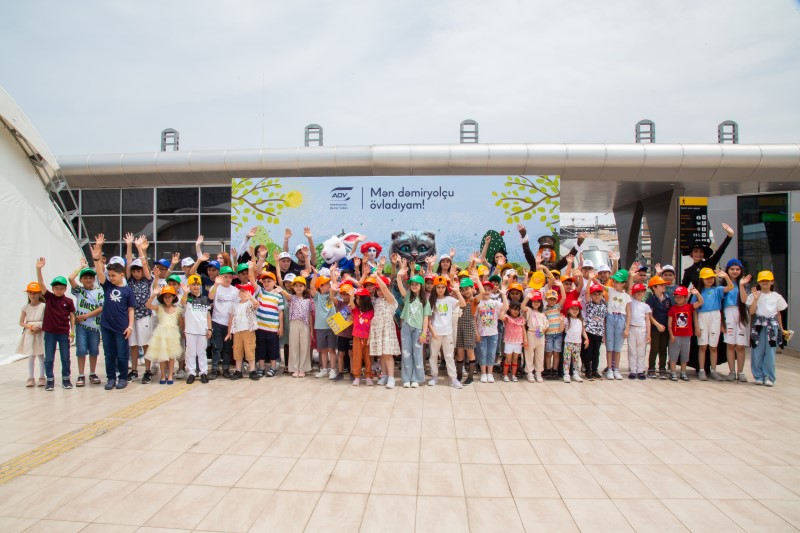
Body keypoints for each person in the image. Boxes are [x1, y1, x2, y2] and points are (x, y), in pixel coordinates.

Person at [91, 233, 136, 390]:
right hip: (106, 326)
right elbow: (99, 273)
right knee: (109, 354)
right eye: (109, 275)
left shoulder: (127, 291)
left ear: (122, 275)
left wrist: (130, 326)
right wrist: (97, 257)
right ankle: (111, 378)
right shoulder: (108, 286)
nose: (111, 278)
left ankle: (122, 377)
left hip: (121, 327)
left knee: (122, 354)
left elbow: (131, 309)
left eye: (113, 275)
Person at [35, 258, 76, 391]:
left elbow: (72, 316)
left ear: (65, 289)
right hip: (50, 333)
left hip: (63, 332)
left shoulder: (68, 301)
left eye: (61, 288)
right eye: (56, 288)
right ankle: (50, 380)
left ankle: (66, 379)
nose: (58, 290)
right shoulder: (49, 297)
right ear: (52, 289)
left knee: (65, 357)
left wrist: (72, 331)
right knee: (49, 358)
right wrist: (38, 269)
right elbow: (41, 283)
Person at [746, 271, 788, 387]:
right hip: (758, 325)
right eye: (762, 280)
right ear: (759, 282)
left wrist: (782, 329)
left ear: (772, 282)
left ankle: (769, 377)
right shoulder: (754, 294)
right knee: (757, 351)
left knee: (770, 352)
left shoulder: (777, 296)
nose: (764, 282)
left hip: (772, 326)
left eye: (767, 280)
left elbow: (778, 313)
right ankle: (758, 376)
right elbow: (752, 312)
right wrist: (755, 299)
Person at [692, 267, 735, 380]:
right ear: (702, 279)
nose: (709, 280)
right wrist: (696, 326)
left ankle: (714, 370)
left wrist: (726, 277)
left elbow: (730, 287)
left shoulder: (717, 290)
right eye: (706, 278)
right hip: (702, 317)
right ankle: (702, 370)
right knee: (702, 346)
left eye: (711, 277)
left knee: (713, 346)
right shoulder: (697, 292)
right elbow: (694, 310)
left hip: (715, 316)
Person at [68, 261, 104, 387]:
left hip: (94, 326)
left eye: (90, 277)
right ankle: (81, 374)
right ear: (81, 280)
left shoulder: (99, 291)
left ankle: (92, 373)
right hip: (81, 327)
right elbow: (70, 278)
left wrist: (85, 316)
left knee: (94, 350)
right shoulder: (79, 291)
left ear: (94, 279)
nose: (88, 280)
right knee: (81, 350)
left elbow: (101, 308)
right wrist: (81, 267)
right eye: (85, 277)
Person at [124, 235, 153, 383]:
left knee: (146, 343)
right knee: (133, 345)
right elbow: (129, 262)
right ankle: (134, 370)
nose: (136, 273)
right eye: (134, 271)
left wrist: (139, 249)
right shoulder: (129, 280)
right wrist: (129, 245)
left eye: (138, 270)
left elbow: (144, 264)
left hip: (144, 315)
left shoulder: (148, 280)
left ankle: (148, 370)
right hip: (132, 315)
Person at [429, 276, 467, 388]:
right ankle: (434, 376)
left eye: (443, 287)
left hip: (448, 332)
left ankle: (453, 379)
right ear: (435, 288)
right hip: (436, 333)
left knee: (449, 356)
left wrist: (457, 291)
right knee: (433, 355)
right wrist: (432, 331)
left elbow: (463, 304)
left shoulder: (450, 299)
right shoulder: (431, 301)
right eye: (438, 287)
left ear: (446, 288)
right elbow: (428, 318)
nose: (440, 289)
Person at [396, 266, 431, 388]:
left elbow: (426, 318)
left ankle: (416, 378)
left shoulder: (425, 301)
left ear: (421, 285)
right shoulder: (407, 296)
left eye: (416, 284)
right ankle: (406, 378)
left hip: (418, 330)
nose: (414, 286)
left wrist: (424, 333)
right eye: (412, 284)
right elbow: (401, 287)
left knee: (417, 354)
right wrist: (398, 276)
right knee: (406, 353)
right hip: (406, 327)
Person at [369, 263, 400, 389]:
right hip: (377, 330)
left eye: (382, 289)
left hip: (387, 329)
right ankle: (384, 376)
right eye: (378, 290)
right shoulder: (376, 301)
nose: (380, 291)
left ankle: (391, 378)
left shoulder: (391, 300)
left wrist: (377, 276)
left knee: (387, 354)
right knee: (381, 354)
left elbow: (385, 288)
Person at [145, 285, 183, 384]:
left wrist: (181, 333)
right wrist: (154, 294)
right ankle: (162, 375)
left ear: (173, 297)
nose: (167, 299)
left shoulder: (177, 309)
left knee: (171, 356)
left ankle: (170, 375)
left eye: (169, 297)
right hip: (161, 335)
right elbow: (148, 305)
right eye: (165, 297)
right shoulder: (160, 308)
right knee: (162, 356)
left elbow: (181, 323)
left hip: (172, 335)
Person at [680, 222, 735, 289]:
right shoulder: (689, 271)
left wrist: (729, 236)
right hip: (698, 295)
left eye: (701, 251)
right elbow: (683, 288)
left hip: (713, 294)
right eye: (696, 251)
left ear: (704, 253)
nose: (698, 254)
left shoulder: (710, 263)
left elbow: (720, 251)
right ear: (691, 254)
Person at [208, 265, 239, 378]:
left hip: (229, 324)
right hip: (217, 321)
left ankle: (226, 369)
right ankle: (214, 369)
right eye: (225, 276)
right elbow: (210, 296)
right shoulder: (216, 287)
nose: (228, 279)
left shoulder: (235, 290)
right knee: (216, 347)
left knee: (227, 348)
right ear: (220, 277)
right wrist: (216, 284)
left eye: (230, 277)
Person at [667, 286, 703, 381]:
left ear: (686, 297)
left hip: (687, 335)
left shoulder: (689, 307)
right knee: (673, 355)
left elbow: (700, 302)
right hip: (676, 335)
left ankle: (683, 372)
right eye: (676, 296)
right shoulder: (673, 308)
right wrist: (671, 334)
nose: (678, 298)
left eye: (680, 296)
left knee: (685, 355)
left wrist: (697, 294)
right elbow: (669, 323)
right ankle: (673, 372)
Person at [280, 276, 314, 377]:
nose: (298, 288)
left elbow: (310, 315)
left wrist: (311, 330)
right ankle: (295, 368)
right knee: (294, 346)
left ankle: (303, 368)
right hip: (294, 323)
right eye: (296, 286)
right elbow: (286, 294)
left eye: (301, 286)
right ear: (293, 287)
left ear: (305, 287)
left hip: (305, 324)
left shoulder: (308, 300)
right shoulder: (292, 298)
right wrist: (280, 289)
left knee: (304, 347)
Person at [253, 270, 285, 378]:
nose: (266, 283)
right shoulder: (260, 292)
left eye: (269, 281)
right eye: (264, 281)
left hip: (273, 328)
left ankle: (273, 367)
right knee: (260, 348)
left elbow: (280, 312)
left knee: (273, 349)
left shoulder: (278, 296)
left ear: (274, 282)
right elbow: (253, 280)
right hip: (260, 327)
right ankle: (261, 367)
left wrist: (281, 327)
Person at [722, 259, 750, 382]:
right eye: (732, 269)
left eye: (737, 269)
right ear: (727, 270)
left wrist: (742, 285)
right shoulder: (723, 285)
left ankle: (741, 372)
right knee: (730, 344)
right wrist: (721, 322)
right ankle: (732, 371)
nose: (734, 271)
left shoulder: (744, 283)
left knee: (740, 345)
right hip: (728, 313)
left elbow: (744, 300)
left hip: (741, 313)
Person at [181, 274, 212, 384]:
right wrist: (185, 293)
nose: (195, 286)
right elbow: (182, 303)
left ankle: (203, 372)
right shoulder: (187, 298)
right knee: (191, 353)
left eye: (197, 284)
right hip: (190, 330)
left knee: (202, 352)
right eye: (193, 284)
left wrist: (210, 329)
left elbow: (208, 314)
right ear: (189, 285)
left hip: (202, 330)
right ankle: (191, 373)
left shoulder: (205, 298)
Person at [227, 282, 260, 380]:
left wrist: (251, 298)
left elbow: (256, 305)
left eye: (245, 291)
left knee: (250, 349)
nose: (242, 292)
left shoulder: (250, 303)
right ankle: (238, 370)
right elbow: (231, 317)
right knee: (237, 350)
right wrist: (229, 332)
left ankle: (252, 370)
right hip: (237, 331)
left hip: (248, 331)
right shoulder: (235, 305)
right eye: (241, 290)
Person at [604, 269, 630, 380]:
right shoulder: (611, 291)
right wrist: (592, 278)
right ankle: (609, 369)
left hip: (621, 319)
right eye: (614, 281)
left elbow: (629, 313)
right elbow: (601, 286)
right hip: (610, 317)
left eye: (618, 282)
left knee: (617, 348)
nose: (615, 284)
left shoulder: (626, 296)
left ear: (623, 283)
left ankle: (616, 369)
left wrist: (627, 328)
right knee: (609, 347)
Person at [310, 275, 338, 379]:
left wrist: (332, 272)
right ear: (320, 286)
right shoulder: (317, 296)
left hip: (332, 325)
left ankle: (333, 370)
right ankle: (324, 369)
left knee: (332, 349)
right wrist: (315, 274)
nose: (329, 285)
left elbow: (335, 285)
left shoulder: (331, 294)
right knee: (323, 350)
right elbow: (312, 286)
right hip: (320, 326)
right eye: (326, 284)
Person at [19, 282, 46, 387]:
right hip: (30, 332)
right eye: (30, 292)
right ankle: (30, 378)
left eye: (34, 292)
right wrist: (30, 326)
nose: (32, 295)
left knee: (41, 355)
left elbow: (48, 320)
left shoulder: (43, 306)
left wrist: (40, 328)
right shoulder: (25, 307)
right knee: (31, 355)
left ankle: (42, 377)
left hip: (40, 332)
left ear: (40, 293)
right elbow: (21, 322)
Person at [645, 275, 671, 379]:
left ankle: (662, 368)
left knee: (663, 348)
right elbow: (649, 315)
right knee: (654, 348)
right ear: (654, 287)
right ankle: (651, 368)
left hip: (665, 328)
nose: (663, 286)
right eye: (661, 285)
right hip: (655, 328)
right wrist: (657, 324)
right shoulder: (651, 299)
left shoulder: (667, 298)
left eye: (664, 285)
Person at [350, 287, 374, 385]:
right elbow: (352, 305)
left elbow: (372, 324)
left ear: (365, 299)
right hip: (356, 337)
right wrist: (352, 296)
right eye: (356, 298)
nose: (357, 300)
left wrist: (370, 337)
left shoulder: (371, 311)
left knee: (368, 358)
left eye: (360, 298)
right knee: (356, 357)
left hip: (367, 338)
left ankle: (368, 376)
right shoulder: (356, 310)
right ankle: (357, 377)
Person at [583, 284, 607, 381]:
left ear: (602, 295)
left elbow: (604, 320)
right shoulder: (589, 304)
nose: (597, 296)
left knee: (596, 353)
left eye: (599, 294)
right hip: (589, 331)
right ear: (591, 295)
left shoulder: (604, 306)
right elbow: (586, 292)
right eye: (594, 294)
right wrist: (590, 279)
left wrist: (604, 334)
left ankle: (594, 370)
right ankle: (587, 371)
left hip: (599, 332)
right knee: (588, 352)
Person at [523, 289, 548, 383]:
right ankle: (529, 372)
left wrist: (543, 330)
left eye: (538, 301)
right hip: (531, 333)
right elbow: (522, 307)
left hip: (540, 335)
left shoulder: (543, 313)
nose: (536, 303)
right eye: (534, 301)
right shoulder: (529, 310)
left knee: (540, 355)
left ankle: (538, 372)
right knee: (529, 354)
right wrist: (527, 298)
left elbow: (546, 325)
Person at [500, 299, 527, 383]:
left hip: (518, 342)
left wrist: (525, 340)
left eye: (517, 310)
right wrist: (504, 308)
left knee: (515, 359)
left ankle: (514, 375)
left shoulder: (521, 319)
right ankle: (505, 374)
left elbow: (523, 329)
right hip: (509, 342)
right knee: (508, 359)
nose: (515, 311)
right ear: (510, 309)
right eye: (514, 309)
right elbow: (501, 317)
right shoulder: (507, 318)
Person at [562, 301, 588, 383]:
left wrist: (587, 339)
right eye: (572, 309)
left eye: (577, 309)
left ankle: (575, 373)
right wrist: (561, 321)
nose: (575, 310)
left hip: (577, 343)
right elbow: (561, 329)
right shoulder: (566, 319)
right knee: (567, 359)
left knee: (576, 359)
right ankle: (566, 374)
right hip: (568, 342)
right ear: (568, 310)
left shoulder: (581, 320)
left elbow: (583, 331)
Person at [543, 286, 566, 380]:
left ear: (556, 300)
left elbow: (564, 297)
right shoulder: (545, 310)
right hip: (549, 334)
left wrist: (561, 286)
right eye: (550, 299)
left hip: (558, 334)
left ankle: (555, 370)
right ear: (546, 299)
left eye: (554, 299)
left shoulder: (558, 307)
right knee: (548, 353)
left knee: (556, 353)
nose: (552, 301)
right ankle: (548, 370)